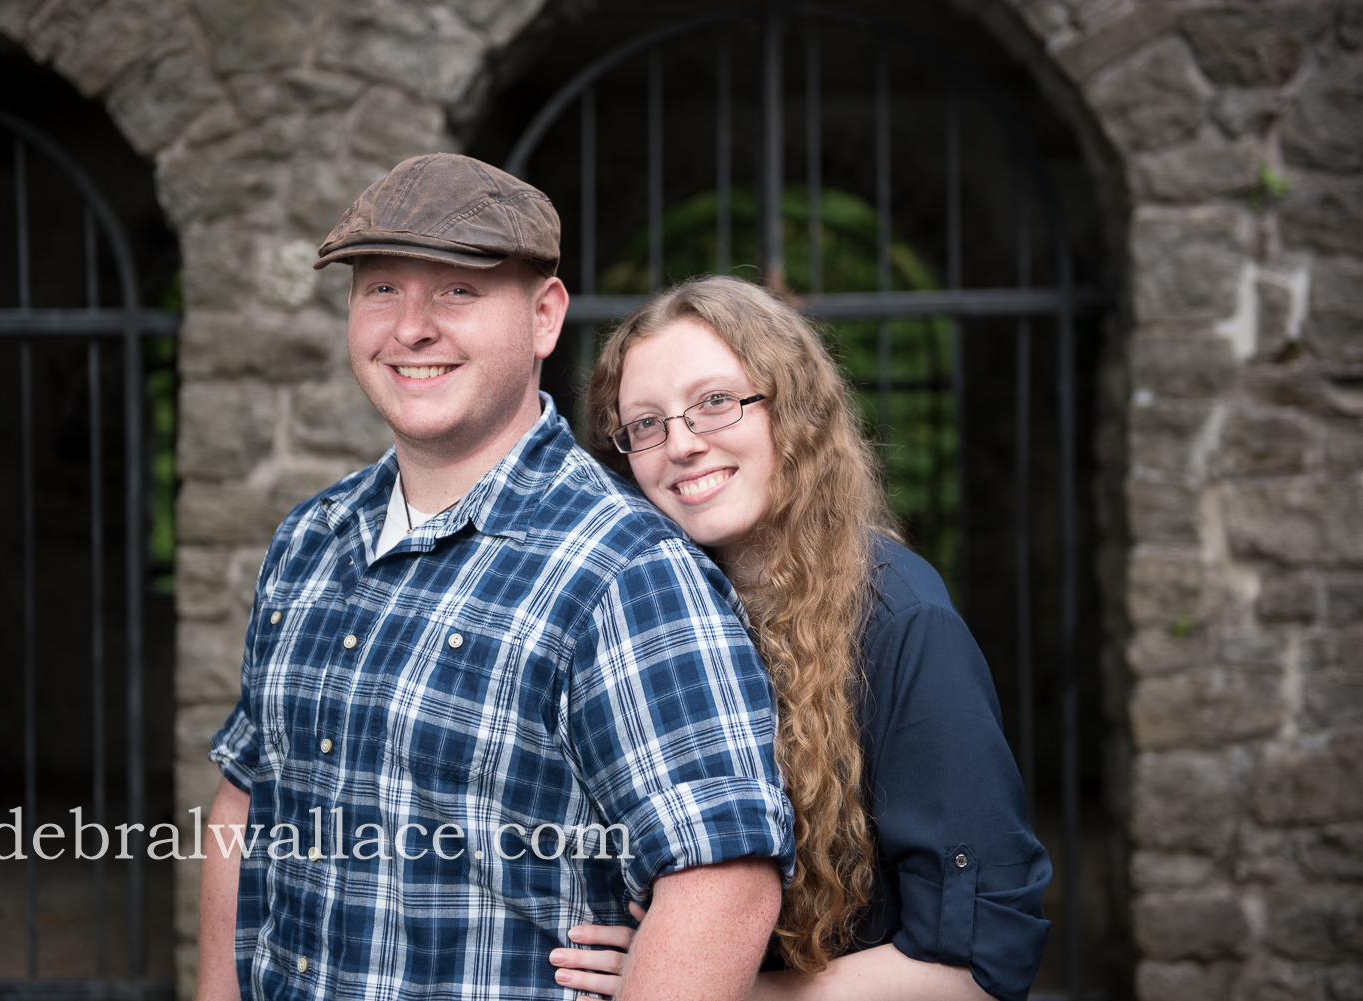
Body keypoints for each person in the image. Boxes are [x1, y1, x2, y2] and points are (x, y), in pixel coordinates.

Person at [193, 155, 796, 1001]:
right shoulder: (310, 540)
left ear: (546, 317)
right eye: (382, 290)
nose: (411, 327)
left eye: (457, 292)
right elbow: (244, 802)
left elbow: (724, 883)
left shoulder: (623, 569)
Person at [548, 275, 1051, 1001]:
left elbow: (981, 967)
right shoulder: (638, 614)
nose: (682, 444)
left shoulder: (904, 621)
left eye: (715, 402)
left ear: (794, 409)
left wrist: (692, 981)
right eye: (646, 424)